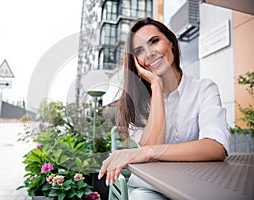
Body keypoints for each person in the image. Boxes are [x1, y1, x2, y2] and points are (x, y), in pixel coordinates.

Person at [98, 17, 231, 199]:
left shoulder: (204, 89)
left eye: (154, 41)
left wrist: (148, 151)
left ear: (171, 42)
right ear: (136, 61)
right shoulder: (137, 103)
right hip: (149, 186)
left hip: (194, 183)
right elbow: (153, 147)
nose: (150, 53)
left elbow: (217, 147)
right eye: (139, 51)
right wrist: (155, 87)